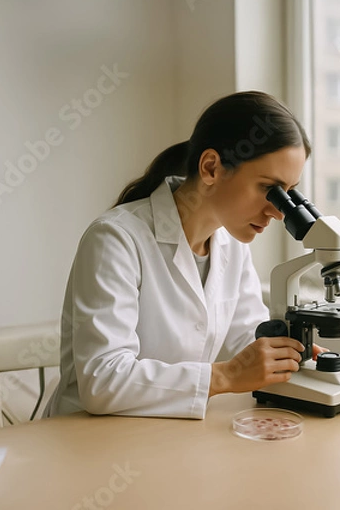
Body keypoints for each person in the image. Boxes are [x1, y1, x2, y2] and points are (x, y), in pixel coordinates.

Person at [44, 91, 325, 420]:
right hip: (86, 440)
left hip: (169, 435)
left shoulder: (231, 246)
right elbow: (102, 381)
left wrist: (286, 355)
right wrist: (226, 377)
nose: (278, 213)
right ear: (211, 168)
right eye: (269, 189)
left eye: (288, 194)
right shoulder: (115, 239)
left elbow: (245, 337)